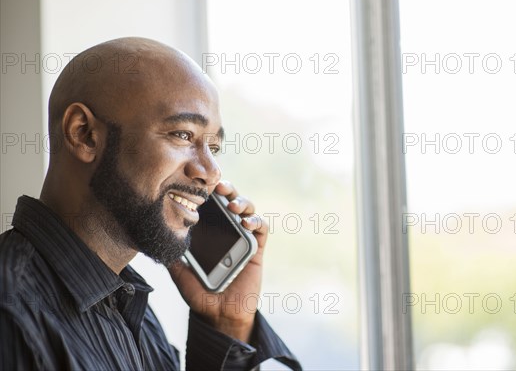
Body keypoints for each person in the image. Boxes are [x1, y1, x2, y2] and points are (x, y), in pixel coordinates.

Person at [0, 37, 301, 370]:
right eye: (184, 135)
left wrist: (227, 325)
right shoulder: (11, 310)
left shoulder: (128, 305)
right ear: (84, 134)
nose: (212, 172)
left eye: (212, 147)